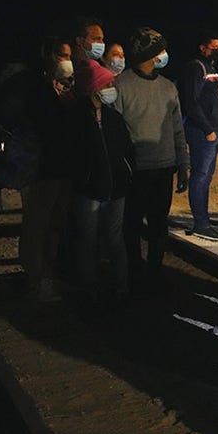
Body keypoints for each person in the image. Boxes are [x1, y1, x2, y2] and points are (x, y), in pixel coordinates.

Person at [113, 26, 190, 293]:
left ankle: (155, 272)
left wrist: (183, 165)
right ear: (149, 54)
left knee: (159, 225)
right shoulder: (121, 85)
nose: (165, 55)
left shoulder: (168, 88)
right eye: (161, 50)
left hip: (164, 167)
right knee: (131, 225)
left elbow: (177, 130)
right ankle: (134, 272)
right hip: (136, 170)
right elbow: (115, 131)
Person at [4, 36, 78, 302]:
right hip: (39, 168)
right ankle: (36, 279)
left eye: (69, 55)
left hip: (62, 166)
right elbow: (36, 124)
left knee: (55, 224)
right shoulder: (34, 87)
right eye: (61, 55)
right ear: (47, 55)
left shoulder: (67, 88)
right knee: (37, 224)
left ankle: (49, 273)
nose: (66, 61)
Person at [70, 61, 134, 303]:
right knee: (88, 240)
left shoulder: (113, 117)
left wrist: (127, 171)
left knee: (115, 239)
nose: (112, 87)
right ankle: (90, 286)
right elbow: (75, 155)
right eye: (107, 83)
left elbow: (127, 149)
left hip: (117, 188)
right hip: (90, 190)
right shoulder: (78, 118)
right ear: (94, 88)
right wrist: (83, 179)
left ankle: (121, 285)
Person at [178, 30, 218, 241]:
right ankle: (200, 223)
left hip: (213, 130)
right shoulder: (196, 67)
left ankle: (205, 221)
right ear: (202, 48)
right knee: (200, 177)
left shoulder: (211, 67)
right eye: (214, 47)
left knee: (206, 177)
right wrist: (207, 129)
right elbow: (191, 102)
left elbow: (210, 96)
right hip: (203, 132)